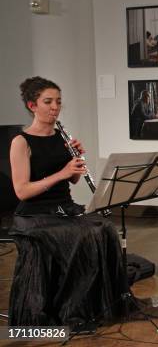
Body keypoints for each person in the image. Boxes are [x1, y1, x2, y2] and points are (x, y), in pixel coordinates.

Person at [8, 77, 127, 327]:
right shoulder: (21, 142)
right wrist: (62, 172)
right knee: (80, 236)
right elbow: (22, 191)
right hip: (34, 215)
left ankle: (98, 306)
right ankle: (71, 311)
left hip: (64, 208)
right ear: (32, 105)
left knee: (104, 229)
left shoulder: (62, 137)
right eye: (48, 102)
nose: (55, 107)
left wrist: (76, 161)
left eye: (58, 102)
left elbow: (72, 181)